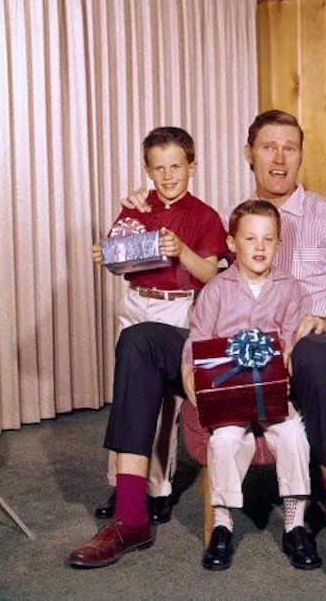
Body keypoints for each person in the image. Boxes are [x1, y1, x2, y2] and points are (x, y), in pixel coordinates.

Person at [68, 110, 326, 569]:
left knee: (319, 352)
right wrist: (138, 207)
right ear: (249, 154)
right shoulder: (226, 214)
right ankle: (130, 515)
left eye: (290, 147)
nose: (279, 157)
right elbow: (198, 268)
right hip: (225, 343)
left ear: (301, 154)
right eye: (269, 147)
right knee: (140, 341)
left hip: (299, 339)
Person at [93, 127, 227, 525]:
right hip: (136, 303)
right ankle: (123, 483)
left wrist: (181, 251)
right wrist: (106, 253)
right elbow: (122, 259)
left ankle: (158, 490)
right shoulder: (136, 206)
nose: (168, 176)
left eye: (176, 167)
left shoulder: (204, 216)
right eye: (159, 168)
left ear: (192, 167)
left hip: (176, 309)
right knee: (129, 392)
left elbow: (210, 274)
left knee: (165, 402)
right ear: (148, 171)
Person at [181, 200, 319, 571]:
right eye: (250, 238)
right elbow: (196, 342)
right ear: (232, 243)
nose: (260, 247)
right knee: (225, 440)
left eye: (268, 239)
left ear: (278, 245)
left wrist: (285, 369)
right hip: (228, 390)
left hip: (272, 389)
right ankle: (223, 524)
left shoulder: (290, 288)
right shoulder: (216, 290)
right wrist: (192, 378)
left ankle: (295, 524)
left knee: (292, 434)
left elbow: (290, 341)